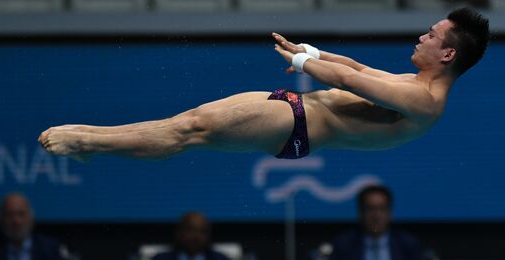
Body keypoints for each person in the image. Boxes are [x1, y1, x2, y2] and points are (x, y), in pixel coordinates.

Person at [38, 8, 489, 163]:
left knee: (189, 132)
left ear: (448, 54)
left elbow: (351, 80)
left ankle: (88, 140)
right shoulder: (414, 83)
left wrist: (302, 61)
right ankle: (92, 143)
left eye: (431, 36)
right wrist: (312, 50)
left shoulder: (425, 101)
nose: (421, 37)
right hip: (293, 109)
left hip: (295, 125)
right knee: (186, 122)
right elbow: (355, 66)